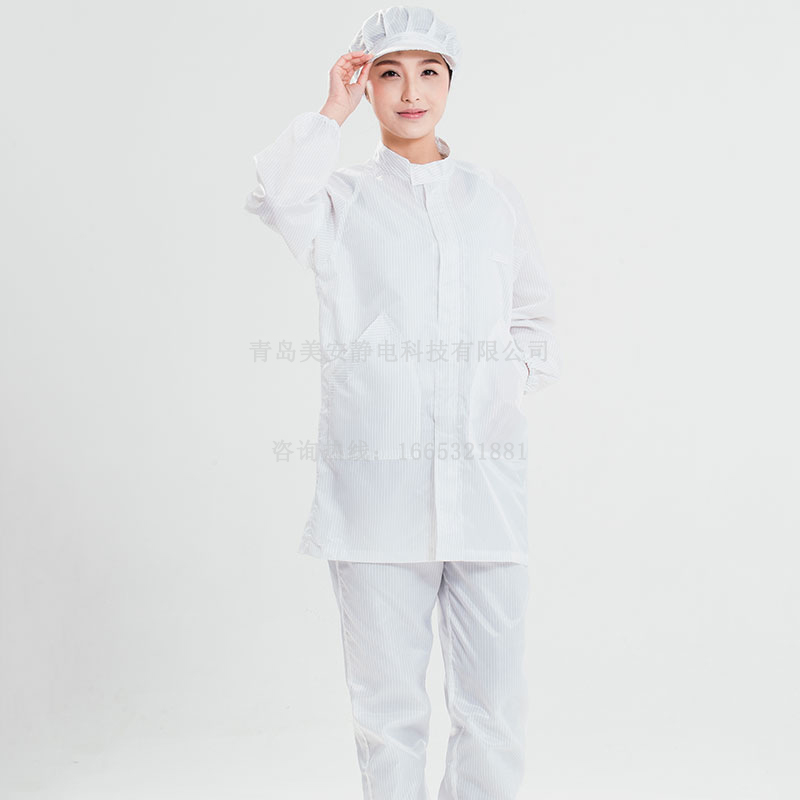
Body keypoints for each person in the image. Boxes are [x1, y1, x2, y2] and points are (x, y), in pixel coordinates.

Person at [244, 6, 560, 799]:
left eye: (428, 73)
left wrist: (506, 386)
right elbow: (274, 194)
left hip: (486, 491)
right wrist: (332, 109)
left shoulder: (492, 198)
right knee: (389, 719)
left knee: (494, 714)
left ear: (451, 82)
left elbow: (534, 313)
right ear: (369, 85)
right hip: (377, 498)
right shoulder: (339, 200)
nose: (410, 92)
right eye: (389, 73)